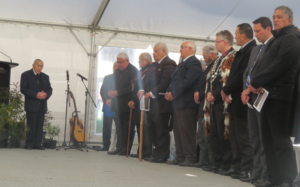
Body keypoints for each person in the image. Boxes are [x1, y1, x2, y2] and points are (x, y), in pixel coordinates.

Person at [248, 6, 300, 187]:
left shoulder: (292, 39)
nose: (275, 19)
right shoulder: (278, 39)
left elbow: (278, 66)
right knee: (268, 140)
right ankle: (274, 178)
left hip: (280, 96)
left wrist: (253, 83)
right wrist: (255, 82)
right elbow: (265, 66)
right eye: (274, 17)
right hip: (267, 96)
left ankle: (289, 179)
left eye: (279, 17)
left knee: (280, 140)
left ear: (289, 20)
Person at [219, 23, 256, 179]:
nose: (234, 37)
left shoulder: (252, 49)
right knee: (234, 135)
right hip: (235, 96)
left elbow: (242, 74)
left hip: (243, 97)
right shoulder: (243, 50)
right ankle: (236, 165)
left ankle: (246, 168)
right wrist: (228, 92)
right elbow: (234, 75)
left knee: (242, 135)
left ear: (243, 35)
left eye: (236, 34)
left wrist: (225, 89)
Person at [241, 17, 273, 184]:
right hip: (251, 96)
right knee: (253, 136)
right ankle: (256, 170)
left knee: (263, 137)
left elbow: (268, 70)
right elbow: (247, 71)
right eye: (254, 31)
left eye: (258, 31)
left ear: (268, 29)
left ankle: (266, 173)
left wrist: (252, 87)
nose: (256, 34)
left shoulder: (274, 46)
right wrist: (245, 91)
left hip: (264, 95)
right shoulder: (256, 49)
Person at [165, 41, 202, 166]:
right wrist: (170, 92)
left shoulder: (194, 63)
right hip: (178, 102)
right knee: (178, 130)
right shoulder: (183, 63)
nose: (180, 50)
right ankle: (180, 155)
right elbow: (175, 81)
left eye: (182, 48)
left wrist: (174, 93)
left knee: (186, 130)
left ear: (190, 49)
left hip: (186, 102)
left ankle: (190, 157)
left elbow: (188, 82)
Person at [202, 30, 235, 173]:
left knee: (224, 133)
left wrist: (214, 94)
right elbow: (212, 79)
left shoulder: (233, 57)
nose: (215, 45)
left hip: (223, 101)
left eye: (217, 42)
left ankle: (226, 162)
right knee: (214, 133)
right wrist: (209, 93)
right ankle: (216, 161)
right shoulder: (220, 58)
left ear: (225, 42)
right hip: (213, 101)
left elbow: (226, 80)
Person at [140, 42, 176, 163]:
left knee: (161, 129)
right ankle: (156, 153)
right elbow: (147, 81)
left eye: (156, 51)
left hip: (161, 103)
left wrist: (151, 93)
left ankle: (162, 154)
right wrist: (142, 90)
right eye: (153, 51)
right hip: (151, 103)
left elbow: (164, 82)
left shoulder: (169, 64)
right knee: (153, 129)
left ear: (164, 52)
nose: (153, 54)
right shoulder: (154, 65)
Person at [107, 52, 139, 155]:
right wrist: (112, 93)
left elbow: (132, 88)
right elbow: (115, 85)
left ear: (127, 61)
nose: (119, 64)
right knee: (119, 127)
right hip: (117, 104)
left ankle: (126, 149)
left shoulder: (133, 71)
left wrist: (118, 92)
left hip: (128, 103)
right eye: (118, 62)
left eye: (121, 62)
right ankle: (119, 147)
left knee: (127, 128)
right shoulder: (117, 72)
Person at [191, 45, 218, 168]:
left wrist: (200, 93)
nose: (204, 58)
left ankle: (209, 160)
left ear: (212, 55)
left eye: (205, 56)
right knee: (201, 134)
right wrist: (197, 92)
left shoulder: (215, 67)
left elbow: (210, 86)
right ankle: (202, 159)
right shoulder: (207, 69)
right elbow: (201, 84)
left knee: (208, 134)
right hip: (202, 103)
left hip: (209, 104)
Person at [20, 59, 53, 150]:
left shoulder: (45, 77)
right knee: (31, 125)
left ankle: (38, 144)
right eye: (38, 65)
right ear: (33, 65)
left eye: (41, 66)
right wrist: (36, 95)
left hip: (42, 104)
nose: (40, 68)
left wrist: (46, 94)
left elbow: (50, 89)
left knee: (40, 125)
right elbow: (23, 89)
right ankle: (29, 144)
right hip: (32, 104)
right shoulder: (26, 75)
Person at [128, 52, 152, 159]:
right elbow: (137, 88)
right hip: (138, 103)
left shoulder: (150, 71)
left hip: (146, 103)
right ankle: (140, 150)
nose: (138, 62)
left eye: (140, 60)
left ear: (146, 61)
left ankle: (146, 151)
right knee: (139, 126)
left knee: (145, 128)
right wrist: (132, 99)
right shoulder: (142, 72)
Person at [99, 62, 118, 151]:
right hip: (107, 105)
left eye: (117, 66)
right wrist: (106, 100)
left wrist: (113, 100)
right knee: (107, 126)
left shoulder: (123, 78)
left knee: (119, 126)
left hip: (118, 105)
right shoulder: (107, 78)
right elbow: (102, 91)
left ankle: (118, 146)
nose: (116, 68)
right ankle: (106, 145)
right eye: (114, 66)